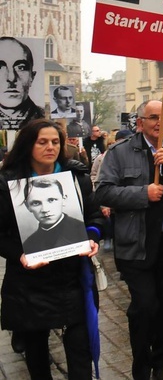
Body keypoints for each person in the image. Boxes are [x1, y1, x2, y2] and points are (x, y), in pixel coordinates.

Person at [95, 100, 163, 380]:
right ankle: (141, 364)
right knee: (145, 307)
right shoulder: (119, 153)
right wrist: (142, 193)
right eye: (153, 117)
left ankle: (162, 363)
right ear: (140, 122)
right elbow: (104, 192)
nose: (160, 122)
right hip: (136, 245)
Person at [0, 119, 104, 380]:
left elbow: (94, 216)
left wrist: (92, 237)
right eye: (42, 142)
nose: (50, 147)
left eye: (55, 142)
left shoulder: (77, 177)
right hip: (30, 284)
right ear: (28, 145)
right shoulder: (7, 182)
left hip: (73, 278)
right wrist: (19, 255)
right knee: (36, 355)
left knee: (80, 351)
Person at [22, 177, 87, 253]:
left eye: (51, 200)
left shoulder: (82, 231)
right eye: (36, 203)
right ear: (27, 206)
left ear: (64, 200)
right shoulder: (29, 244)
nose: (45, 209)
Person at [0, 36, 45, 130]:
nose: (11, 78)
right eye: (0, 67)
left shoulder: (43, 119)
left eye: (21, 68)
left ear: (32, 77)